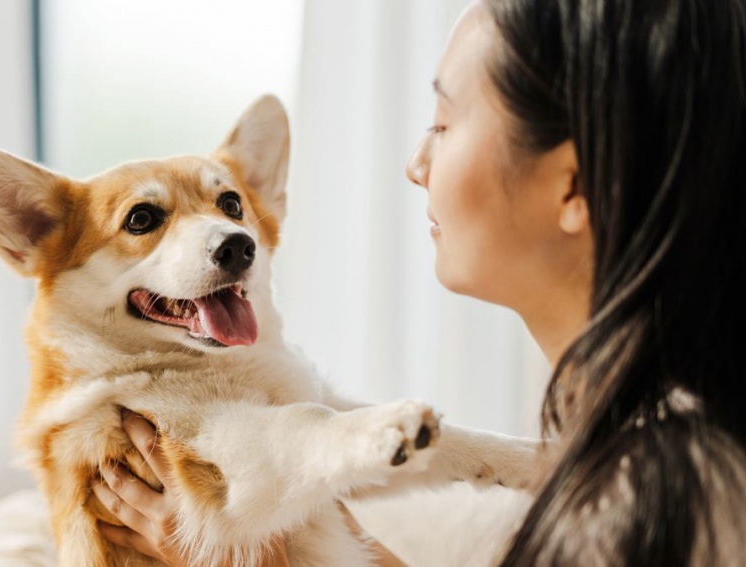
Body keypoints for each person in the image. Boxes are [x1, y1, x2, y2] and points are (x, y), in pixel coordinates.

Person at [92, 0, 746, 564]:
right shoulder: (648, 439)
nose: (416, 163)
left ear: (574, 184)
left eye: (443, 123)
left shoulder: (670, 496)